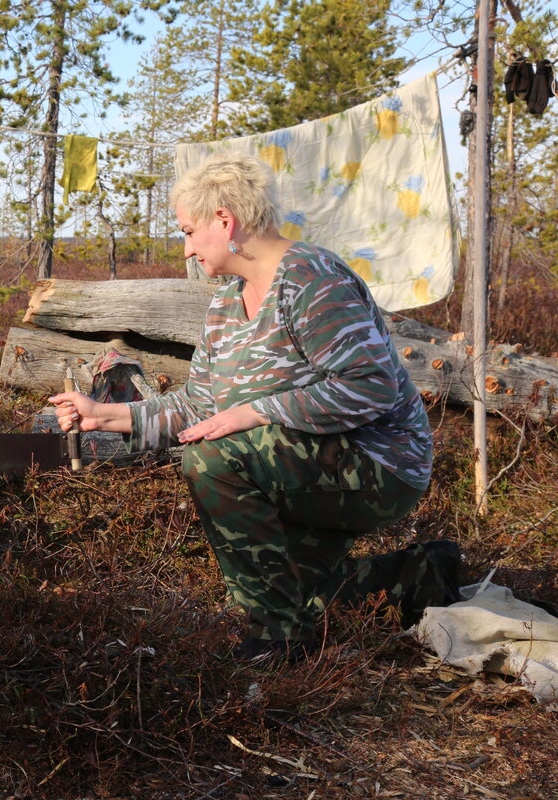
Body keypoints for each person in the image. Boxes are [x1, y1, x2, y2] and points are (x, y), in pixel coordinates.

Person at [49, 153, 461, 663]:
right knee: (292, 589)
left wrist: (259, 412)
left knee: (215, 459)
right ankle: (419, 574)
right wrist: (105, 416)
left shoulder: (312, 280)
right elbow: (200, 403)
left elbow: (372, 385)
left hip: (379, 464)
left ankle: (279, 640)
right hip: (306, 464)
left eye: (188, 232)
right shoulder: (225, 304)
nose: (186, 249)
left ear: (225, 221)